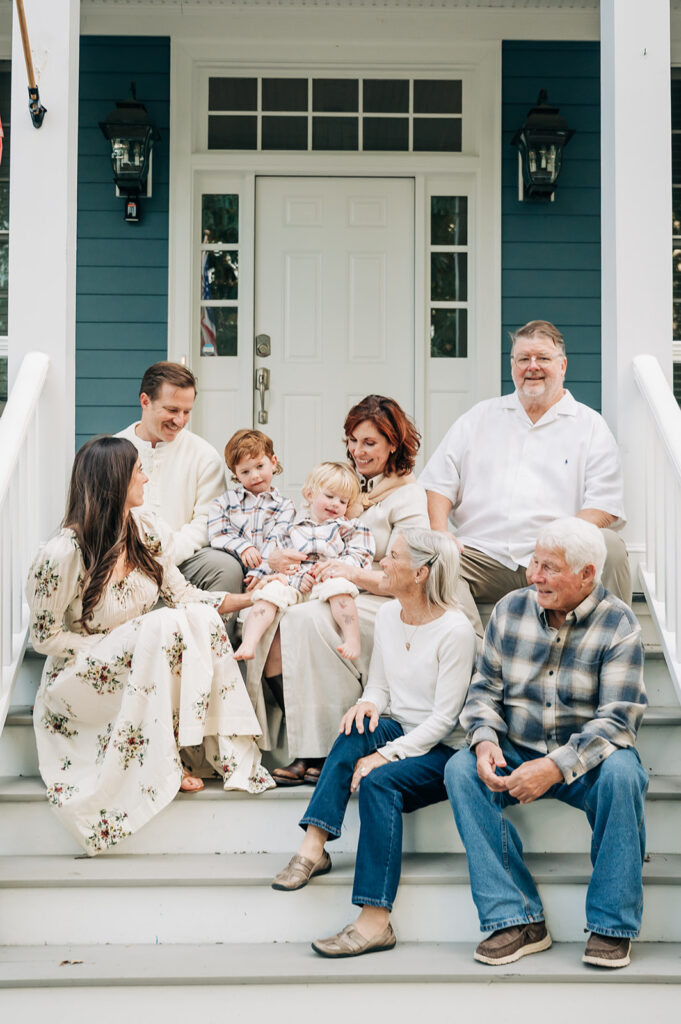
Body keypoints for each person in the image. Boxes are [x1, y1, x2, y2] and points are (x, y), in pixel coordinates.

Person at [27, 436, 274, 857]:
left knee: (192, 618)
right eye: (138, 470)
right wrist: (113, 643)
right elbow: (44, 637)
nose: (145, 478)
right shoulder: (63, 553)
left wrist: (253, 597)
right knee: (160, 626)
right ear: (114, 482)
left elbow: (185, 596)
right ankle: (162, 762)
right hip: (81, 675)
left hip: (137, 662)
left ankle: (207, 750)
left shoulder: (145, 529)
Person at [445, 517, 647, 969]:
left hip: (585, 761)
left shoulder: (619, 623)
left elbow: (618, 720)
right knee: (459, 768)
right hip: (517, 749)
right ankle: (517, 919)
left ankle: (612, 924)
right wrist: (484, 740)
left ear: (586, 574)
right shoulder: (510, 609)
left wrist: (555, 767)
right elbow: (484, 690)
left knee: (624, 773)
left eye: (549, 567)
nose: (534, 575)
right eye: (533, 562)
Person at [271, 528, 476, 958]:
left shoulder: (455, 630)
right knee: (354, 729)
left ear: (421, 573)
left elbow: (444, 720)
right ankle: (314, 846)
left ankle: (375, 921)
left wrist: (384, 755)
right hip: (400, 727)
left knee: (379, 782)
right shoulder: (387, 616)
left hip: (443, 750)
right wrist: (366, 704)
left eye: (394, 556)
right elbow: (380, 687)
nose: (383, 561)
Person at [244, 395, 429, 786]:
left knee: (305, 620)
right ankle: (311, 747)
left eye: (369, 443)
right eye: (353, 441)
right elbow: (301, 533)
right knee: (272, 623)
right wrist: (277, 563)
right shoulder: (343, 484)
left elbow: (410, 576)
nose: (358, 451)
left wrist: (351, 573)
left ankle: (328, 750)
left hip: (382, 596)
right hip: (327, 585)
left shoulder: (408, 496)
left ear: (393, 445)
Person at [419, 320, 631, 635]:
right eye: (523, 359)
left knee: (609, 546)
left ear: (563, 365)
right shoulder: (480, 417)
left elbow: (604, 505)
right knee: (434, 559)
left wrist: (553, 547)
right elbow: (437, 483)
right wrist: (439, 532)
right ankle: (476, 650)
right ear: (513, 366)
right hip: (484, 556)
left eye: (543, 358)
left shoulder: (589, 426)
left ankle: (610, 645)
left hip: (560, 557)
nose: (532, 366)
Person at [117, 362, 243, 635]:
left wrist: (168, 553)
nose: (180, 420)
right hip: (125, 560)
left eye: (187, 412)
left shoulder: (204, 455)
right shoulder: (115, 451)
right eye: (172, 410)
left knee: (227, 568)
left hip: (184, 558)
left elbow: (207, 521)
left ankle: (214, 649)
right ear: (145, 401)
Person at [234, 462, 375, 666]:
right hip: (296, 581)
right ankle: (249, 643)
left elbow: (360, 555)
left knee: (342, 591)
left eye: (343, 501)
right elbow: (278, 557)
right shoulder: (292, 528)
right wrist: (292, 575)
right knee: (269, 593)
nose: (336, 504)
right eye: (330, 496)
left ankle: (352, 640)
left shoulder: (348, 527)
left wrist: (332, 568)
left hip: (329, 578)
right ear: (310, 495)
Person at [207, 428, 295, 588]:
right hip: (233, 573)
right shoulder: (224, 502)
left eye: (260, 466)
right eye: (245, 471)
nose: (254, 476)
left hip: (269, 573)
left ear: (273, 462)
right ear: (236, 474)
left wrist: (260, 571)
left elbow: (276, 540)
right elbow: (217, 534)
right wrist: (244, 547)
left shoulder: (285, 506)